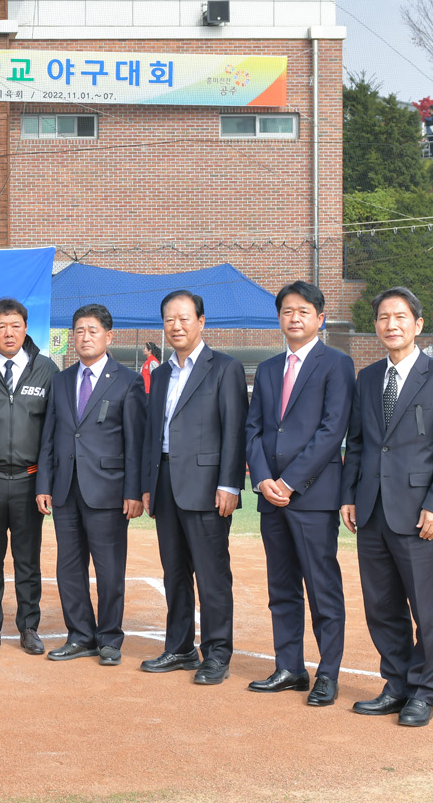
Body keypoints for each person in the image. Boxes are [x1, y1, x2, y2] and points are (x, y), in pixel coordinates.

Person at [342, 287, 433, 728]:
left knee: (426, 610)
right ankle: (395, 685)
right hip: (372, 510)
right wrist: (349, 496)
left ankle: (424, 693)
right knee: (381, 606)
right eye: (383, 317)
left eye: (399, 317)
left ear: (417, 324)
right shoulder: (368, 377)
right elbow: (357, 443)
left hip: (420, 515)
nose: (391, 324)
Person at [244, 280, 354, 708]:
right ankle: (289, 667)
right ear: (279, 318)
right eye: (287, 311)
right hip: (270, 496)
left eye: (303, 311)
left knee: (322, 588)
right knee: (282, 587)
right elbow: (254, 429)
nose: (294, 318)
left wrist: (289, 482)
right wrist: (263, 479)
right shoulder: (269, 368)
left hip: (312, 497)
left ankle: (328, 674)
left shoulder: (336, 364)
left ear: (320, 319)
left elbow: (332, 430)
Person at [143, 290, 248, 685]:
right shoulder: (160, 373)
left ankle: (217, 653)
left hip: (207, 487)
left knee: (211, 574)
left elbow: (235, 430)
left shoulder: (225, 368)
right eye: (169, 319)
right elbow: (154, 433)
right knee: (174, 572)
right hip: (165, 483)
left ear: (201, 322)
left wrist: (229, 483)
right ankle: (180, 647)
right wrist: (148, 484)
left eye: (184, 318)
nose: (177, 326)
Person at [35, 303, 146, 667]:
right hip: (65, 489)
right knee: (68, 567)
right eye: (79, 331)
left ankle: (110, 638)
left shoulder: (128, 381)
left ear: (108, 336)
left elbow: (135, 442)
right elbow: (49, 437)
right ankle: (80, 635)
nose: (85, 337)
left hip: (109, 491)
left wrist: (133, 491)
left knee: (109, 569)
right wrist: (44, 484)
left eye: (93, 330)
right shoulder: (61, 380)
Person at [0, 297, 59, 656]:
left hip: (30, 481)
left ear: (26, 328)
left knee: (27, 559)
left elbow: (54, 430)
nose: (9, 333)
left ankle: (29, 627)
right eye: (0, 326)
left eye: (15, 325)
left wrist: (48, 480)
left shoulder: (46, 370)